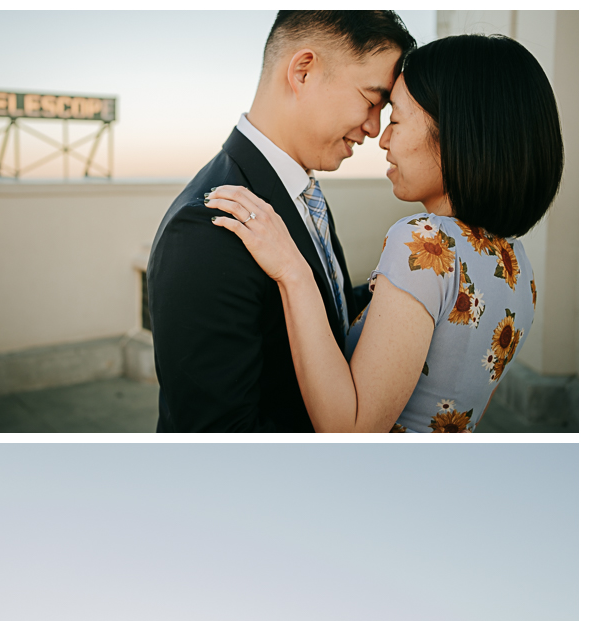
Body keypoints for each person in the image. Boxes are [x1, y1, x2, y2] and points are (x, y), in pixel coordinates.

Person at [205, 34, 564, 433]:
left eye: (395, 119)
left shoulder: (426, 242)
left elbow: (350, 430)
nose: (383, 138)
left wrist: (293, 270)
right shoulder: (518, 267)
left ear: (455, 135)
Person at [147, 11, 416, 432]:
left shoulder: (298, 190)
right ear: (303, 72)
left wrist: (411, 293)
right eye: (371, 100)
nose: (372, 128)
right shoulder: (208, 228)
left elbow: (333, 310)